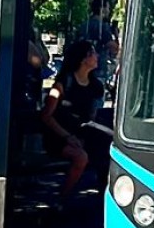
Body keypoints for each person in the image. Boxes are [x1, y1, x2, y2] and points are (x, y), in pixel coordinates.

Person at [41, 39, 108, 205]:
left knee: (107, 150)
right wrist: (68, 136)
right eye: (92, 53)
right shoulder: (62, 85)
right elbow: (46, 116)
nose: (97, 56)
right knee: (81, 157)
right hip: (58, 137)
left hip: (81, 135)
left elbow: (91, 115)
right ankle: (62, 199)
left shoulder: (95, 86)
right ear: (83, 59)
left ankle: (103, 197)